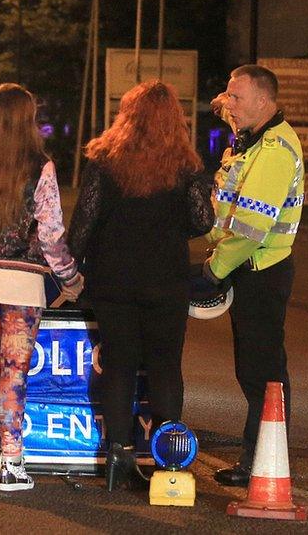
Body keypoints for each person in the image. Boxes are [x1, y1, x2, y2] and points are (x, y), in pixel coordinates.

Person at [68, 80, 215, 491]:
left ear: (126, 115)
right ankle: (168, 459)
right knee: (166, 365)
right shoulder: (186, 165)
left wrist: (67, 269)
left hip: (113, 279)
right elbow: (203, 221)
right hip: (165, 279)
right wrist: (170, 225)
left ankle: (118, 455)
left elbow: (83, 227)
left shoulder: (103, 160)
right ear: (176, 120)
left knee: (119, 366)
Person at [0, 83, 84, 492]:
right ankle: (12, 462)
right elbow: (51, 235)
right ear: (27, 119)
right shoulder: (40, 167)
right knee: (14, 373)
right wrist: (71, 278)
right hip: (24, 284)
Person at [206, 65, 304, 487]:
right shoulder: (251, 142)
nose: (229, 103)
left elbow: (250, 226)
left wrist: (214, 268)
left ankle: (262, 459)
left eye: (237, 97)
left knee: (262, 370)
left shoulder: (275, 150)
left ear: (265, 102)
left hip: (260, 270)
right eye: (227, 95)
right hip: (249, 268)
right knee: (254, 368)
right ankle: (263, 456)